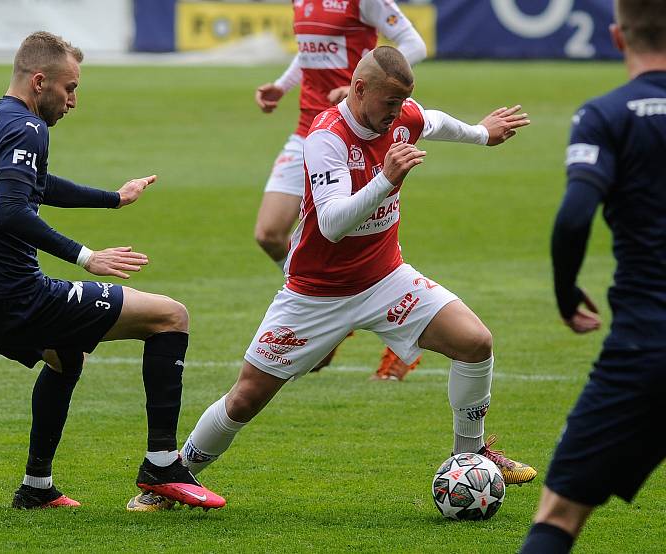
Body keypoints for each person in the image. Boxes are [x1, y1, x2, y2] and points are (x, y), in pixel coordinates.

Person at [139, 46, 536, 511]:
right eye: (388, 103)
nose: (395, 114)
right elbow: (331, 223)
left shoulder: (401, 115)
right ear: (359, 89)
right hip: (316, 294)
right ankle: (170, 480)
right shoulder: (326, 135)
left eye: (400, 103)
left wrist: (481, 134)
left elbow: (433, 119)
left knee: (475, 342)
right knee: (246, 398)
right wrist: (385, 180)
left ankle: (470, 454)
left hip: (386, 278)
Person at [0, 31, 224, 512]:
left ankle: (36, 487)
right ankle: (162, 465)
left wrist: (113, 198)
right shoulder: (28, 128)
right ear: (39, 81)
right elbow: (10, 211)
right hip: (15, 296)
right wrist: (86, 256)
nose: (73, 100)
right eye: (69, 88)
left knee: (65, 358)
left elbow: (33, 183)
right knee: (169, 316)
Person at [519, 1, 666, 551]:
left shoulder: (604, 115)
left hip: (645, 346)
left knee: (558, 514)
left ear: (616, 36)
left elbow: (575, 215)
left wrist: (564, 293)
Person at [255, 0, 428, 379]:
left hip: (356, 131)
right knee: (269, 233)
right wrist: (282, 87)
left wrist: (357, 86)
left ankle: (400, 341)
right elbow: (309, 54)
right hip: (308, 130)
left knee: (367, 227)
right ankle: (329, 311)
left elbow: (414, 45)